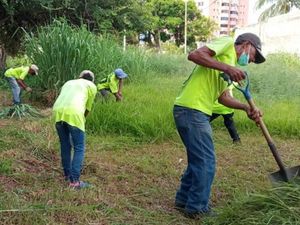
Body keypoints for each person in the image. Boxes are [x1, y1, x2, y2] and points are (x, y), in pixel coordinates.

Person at [173, 33, 265, 219]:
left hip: (195, 111)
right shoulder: (227, 44)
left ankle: (183, 201)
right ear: (246, 45)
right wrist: (228, 67)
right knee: (207, 162)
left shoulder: (228, 69)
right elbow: (195, 55)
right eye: (254, 55)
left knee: (198, 160)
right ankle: (197, 208)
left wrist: (245, 107)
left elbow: (224, 97)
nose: (252, 60)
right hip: (192, 109)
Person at [53, 70, 97, 189]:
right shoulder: (91, 86)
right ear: (92, 80)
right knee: (79, 147)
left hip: (58, 111)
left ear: (80, 77)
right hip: (74, 113)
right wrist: (81, 120)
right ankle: (75, 182)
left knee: (65, 145)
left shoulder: (69, 82)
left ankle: (67, 175)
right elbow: (87, 108)